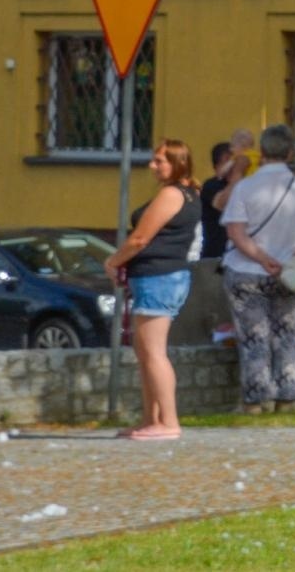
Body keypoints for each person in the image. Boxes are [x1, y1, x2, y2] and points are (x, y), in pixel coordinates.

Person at [221, 124, 295, 413]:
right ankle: (288, 397)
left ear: (263, 152)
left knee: (254, 337)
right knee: (288, 334)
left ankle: (256, 400)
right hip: (288, 276)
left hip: (246, 271)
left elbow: (236, 232)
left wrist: (261, 257)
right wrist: (294, 261)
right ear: (291, 152)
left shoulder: (245, 187)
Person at [105, 139, 202, 441]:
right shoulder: (188, 193)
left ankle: (168, 422)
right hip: (160, 277)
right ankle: (151, 418)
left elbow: (140, 239)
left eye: (160, 160)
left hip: (159, 277)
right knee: (145, 352)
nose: (152, 166)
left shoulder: (172, 194)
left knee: (154, 353)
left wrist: (112, 262)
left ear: (178, 163)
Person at [198, 141, 235, 260]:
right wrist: (236, 177)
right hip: (215, 255)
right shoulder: (211, 185)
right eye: (228, 161)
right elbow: (223, 204)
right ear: (217, 166)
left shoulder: (244, 184)